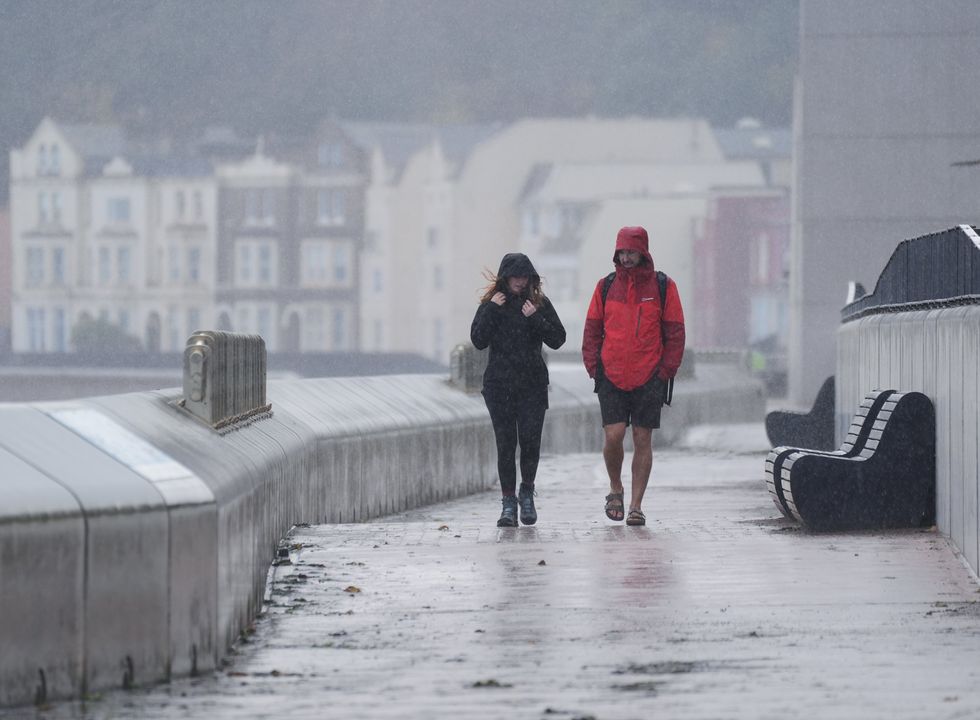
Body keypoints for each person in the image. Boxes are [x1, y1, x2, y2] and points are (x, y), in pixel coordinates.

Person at [581, 226, 685, 526]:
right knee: (613, 436)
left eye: (632, 252)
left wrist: (665, 371)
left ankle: (636, 506)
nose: (626, 258)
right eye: (622, 252)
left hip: (649, 375)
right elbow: (592, 329)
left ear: (643, 253)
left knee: (642, 438)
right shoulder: (605, 286)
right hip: (611, 375)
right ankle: (616, 488)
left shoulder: (663, 287)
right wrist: (594, 367)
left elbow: (675, 332)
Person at [471, 253, 566, 527]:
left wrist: (535, 317)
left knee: (530, 442)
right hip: (499, 386)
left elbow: (558, 339)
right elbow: (478, 340)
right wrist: (490, 308)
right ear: (505, 278)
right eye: (515, 276)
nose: (520, 281)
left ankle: (527, 494)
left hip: (532, 386)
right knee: (505, 445)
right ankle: (508, 504)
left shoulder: (538, 304)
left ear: (531, 279)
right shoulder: (492, 305)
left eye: (524, 277)